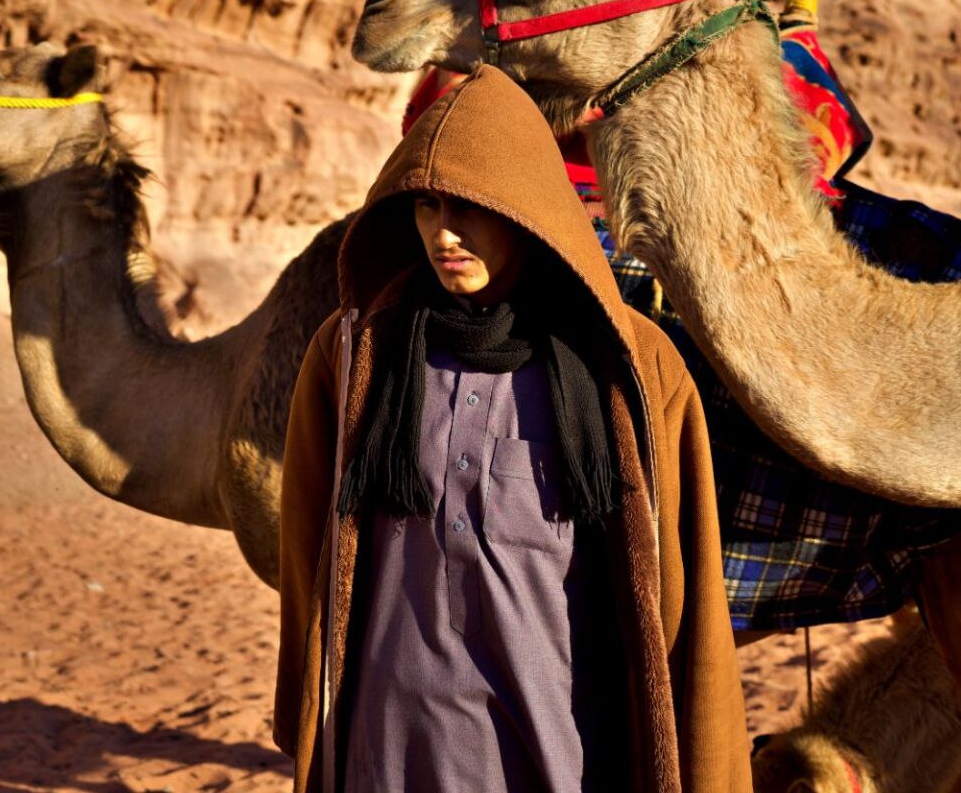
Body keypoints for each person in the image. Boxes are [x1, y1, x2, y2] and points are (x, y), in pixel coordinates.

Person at [274, 66, 751, 792]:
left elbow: (686, 603)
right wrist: (310, 714)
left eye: (471, 208)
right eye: (428, 207)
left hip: (561, 751)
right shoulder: (354, 357)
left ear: (527, 212)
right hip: (388, 751)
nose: (445, 233)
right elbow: (310, 562)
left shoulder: (633, 370)